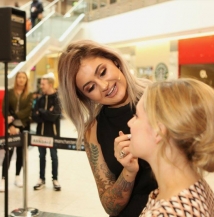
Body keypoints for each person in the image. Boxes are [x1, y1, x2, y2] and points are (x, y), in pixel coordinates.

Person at [57, 40, 157, 216]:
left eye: (102, 72)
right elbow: (110, 206)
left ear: (115, 61)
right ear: (84, 97)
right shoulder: (93, 131)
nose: (104, 86)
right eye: (91, 87)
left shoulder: (158, 96)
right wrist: (128, 171)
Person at [127, 78, 214, 216]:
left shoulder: (168, 213)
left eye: (137, 116)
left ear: (158, 130)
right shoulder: (194, 187)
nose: (130, 123)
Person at [0, 71, 33, 192]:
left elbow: (27, 110)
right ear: (16, 79)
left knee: (20, 153)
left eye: (24, 77)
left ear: (26, 80)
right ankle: (3, 179)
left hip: (23, 127)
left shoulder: (29, 94)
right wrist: (10, 124)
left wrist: (14, 116)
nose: (21, 79)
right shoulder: (9, 92)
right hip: (10, 127)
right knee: (8, 153)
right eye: (19, 77)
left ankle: (17, 176)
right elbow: (4, 108)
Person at [32, 73, 61, 191]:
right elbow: (34, 115)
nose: (41, 86)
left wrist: (42, 112)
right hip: (40, 134)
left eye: (43, 84)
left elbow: (53, 117)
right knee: (41, 156)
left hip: (53, 134)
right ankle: (41, 179)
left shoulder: (57, 99)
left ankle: (55, 179)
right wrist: (46, 113)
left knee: (54, 156)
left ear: (50, 84)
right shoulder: (40, 99)